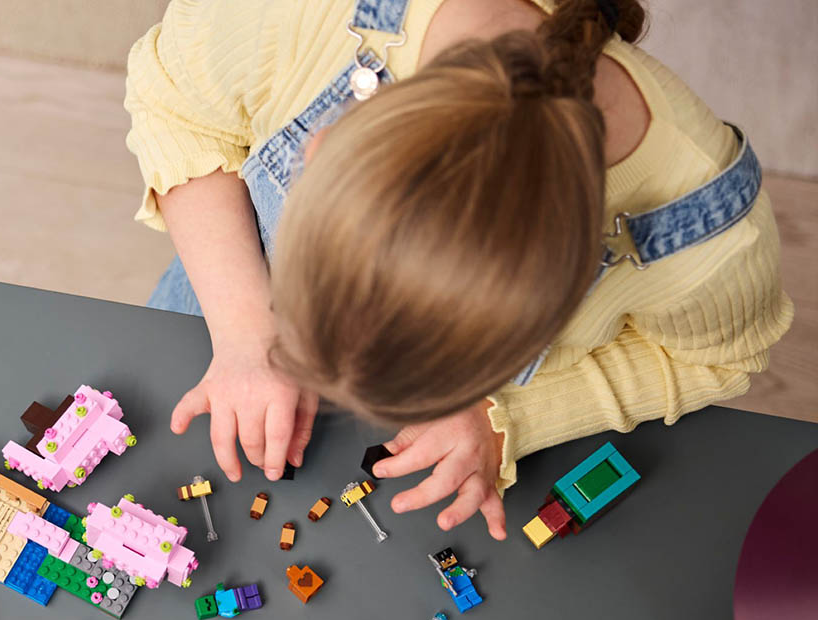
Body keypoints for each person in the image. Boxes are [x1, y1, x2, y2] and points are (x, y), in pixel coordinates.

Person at [124, 0, 792, 540]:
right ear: (324, 145)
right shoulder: (300, 15)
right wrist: (246, 329)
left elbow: (716, 360)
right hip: (216, 313)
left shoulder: (710, 241)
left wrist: (505, 416)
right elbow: (177, 105)